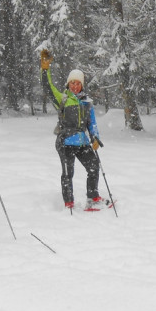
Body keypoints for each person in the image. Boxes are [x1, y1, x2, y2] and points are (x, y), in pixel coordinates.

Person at [40, 49, 106, 211]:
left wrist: (95, 138)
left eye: (78, 83)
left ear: (82, 85)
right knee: (68, 173)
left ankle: (92, 198)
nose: (75, 86)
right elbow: (47, 87)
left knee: (93, 166)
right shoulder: (62, 98)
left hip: (82, 142)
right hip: (65, 142)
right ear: (68, 84)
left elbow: (92, 124)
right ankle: (69, 203)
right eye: (72, 83)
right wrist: (45, 69)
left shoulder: (87, 102)